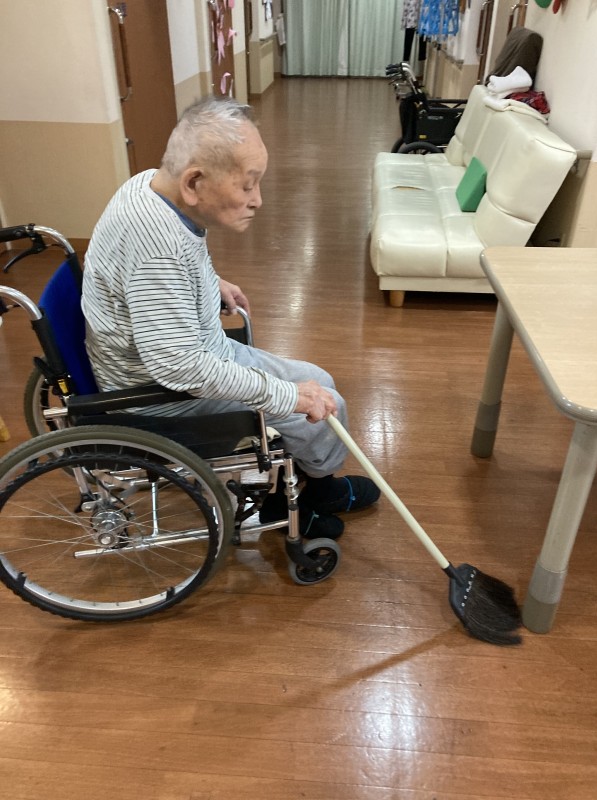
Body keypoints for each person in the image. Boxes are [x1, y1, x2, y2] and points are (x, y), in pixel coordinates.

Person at [82, 95, 379, 539]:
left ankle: (316, 485)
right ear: (194, 181)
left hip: (186, 354)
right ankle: (312, 498)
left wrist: (210, 281)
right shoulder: (157, 248)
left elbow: (158, 271)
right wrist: (285, 396)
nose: (258, 200)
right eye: (247, 186)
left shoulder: (149, 186)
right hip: (161, 394)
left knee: (319, 382)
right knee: (314, 406)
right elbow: (178, 366)